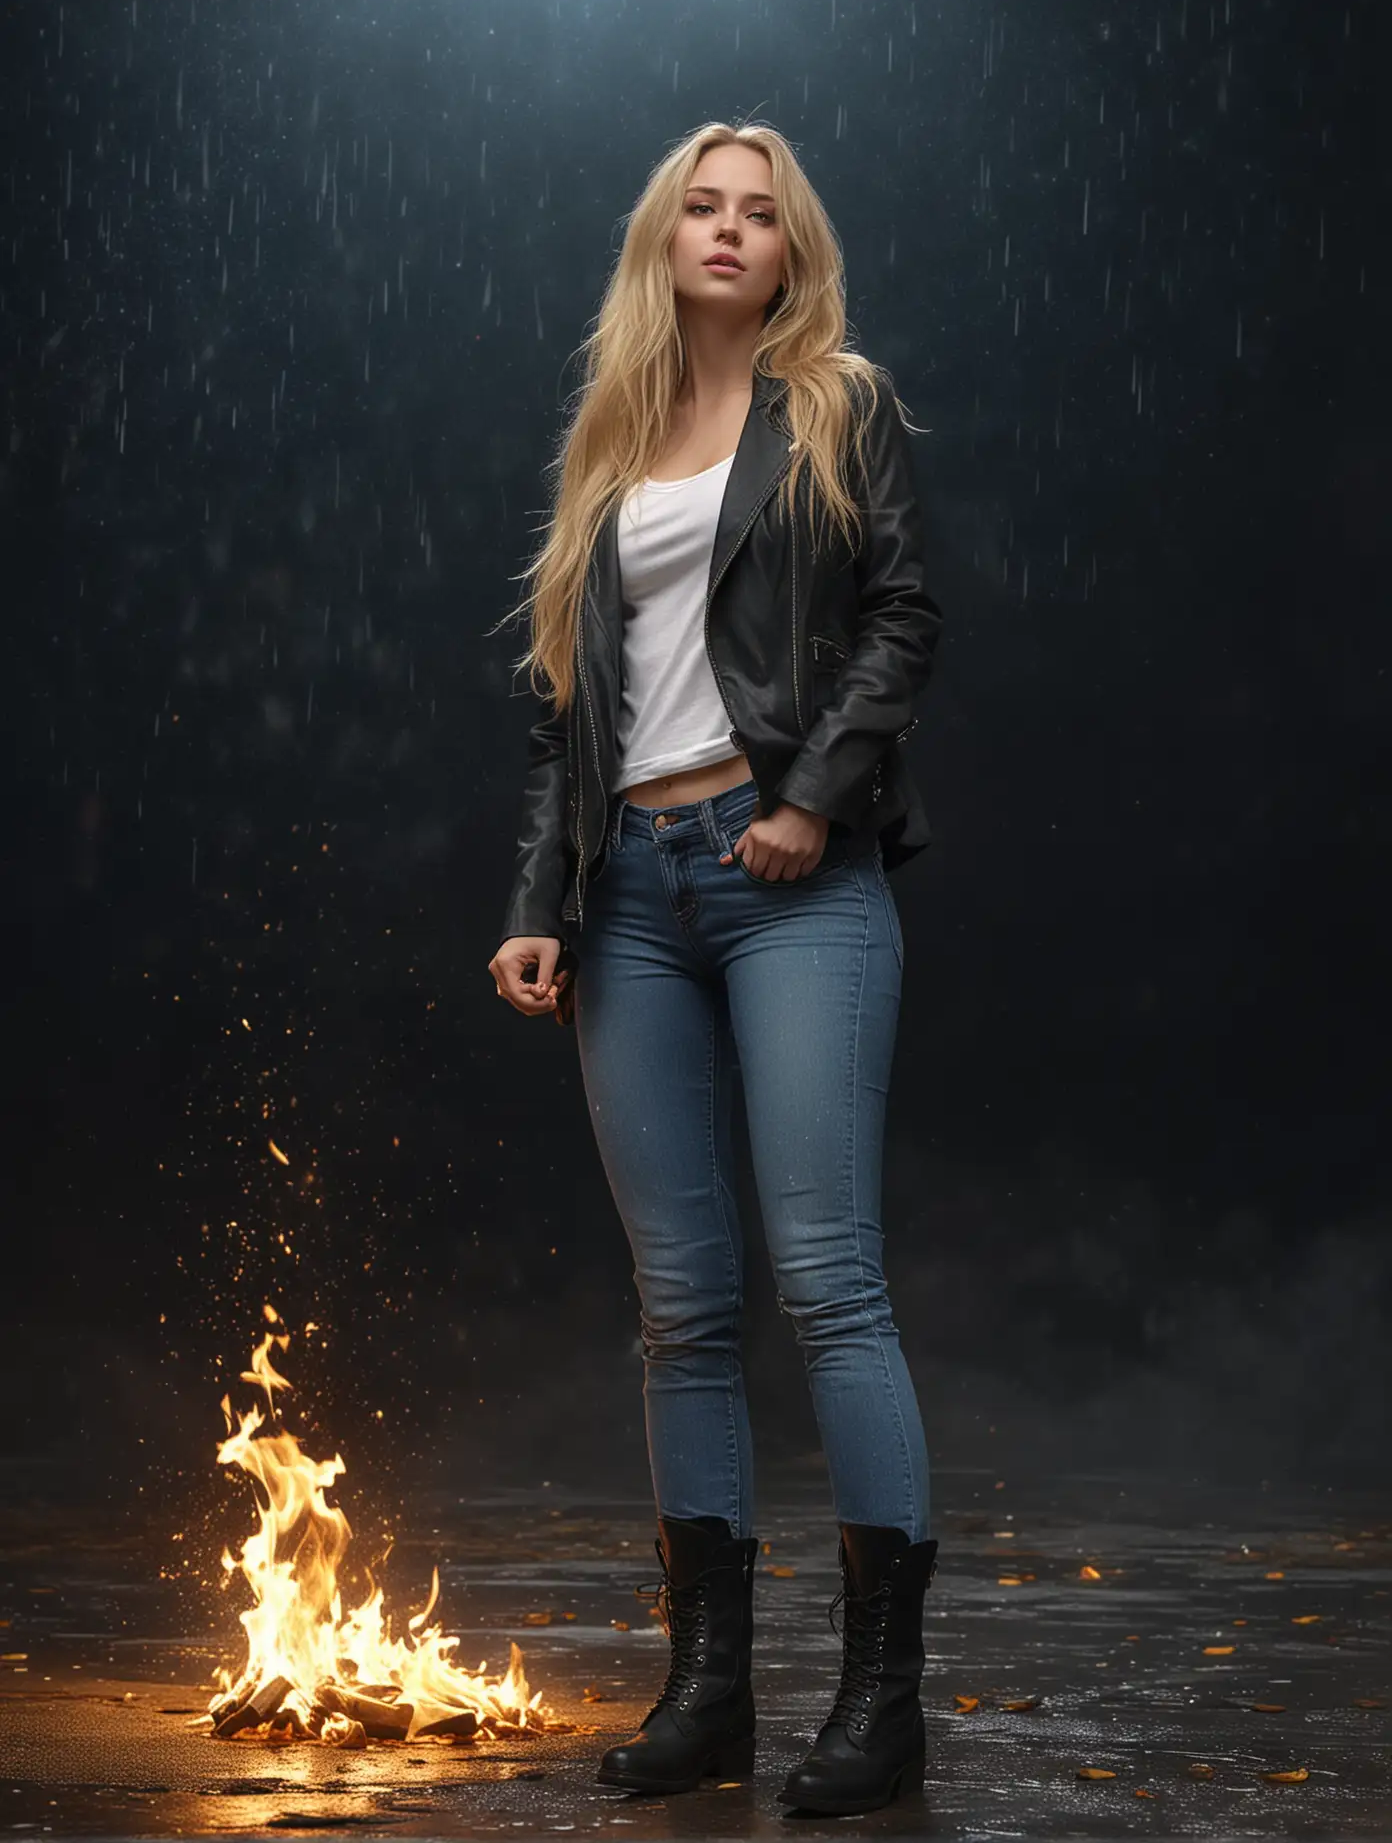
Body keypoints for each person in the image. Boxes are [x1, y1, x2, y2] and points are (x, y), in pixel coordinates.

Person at [486, 121, 944, 1816]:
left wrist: (813, 800)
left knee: (827, 1279)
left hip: (789, 880)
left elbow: (904, 619)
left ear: (790, 244)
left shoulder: (841, 404)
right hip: (632, 902)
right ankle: (713, 1697)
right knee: (681, 1310)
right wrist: (543, 895)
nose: (733, 230)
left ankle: (882, 1706)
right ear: (664, 239)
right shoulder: (611, 441)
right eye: (706, 206)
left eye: (762, 212)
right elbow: (568, 715)